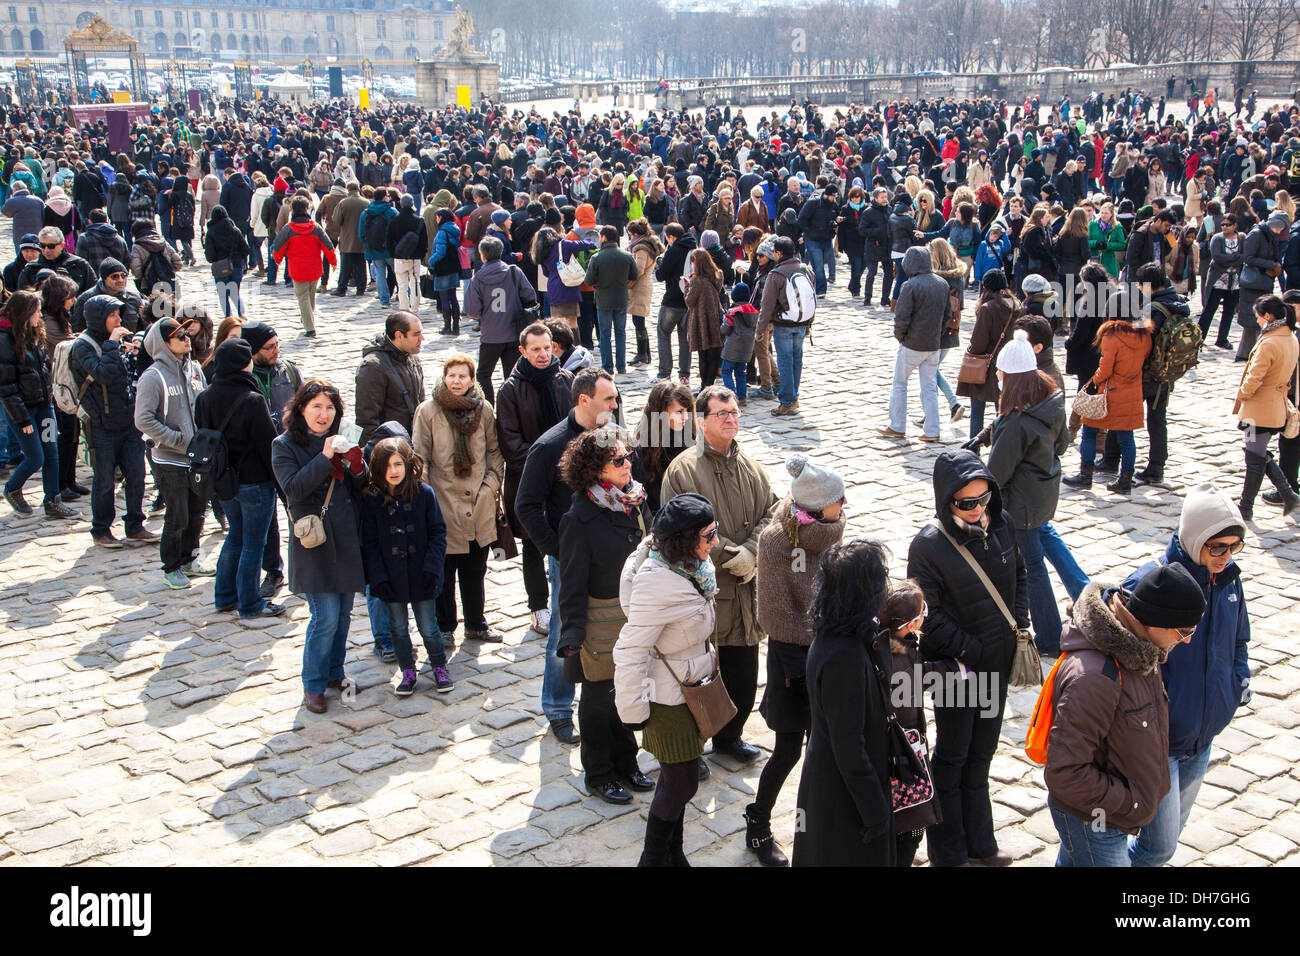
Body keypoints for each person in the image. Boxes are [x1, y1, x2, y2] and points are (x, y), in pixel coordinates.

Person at [907, 450, 1026, 867]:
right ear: (947, 501)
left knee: (981, 757)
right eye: (967, 503)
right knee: (953, 757)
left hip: (995, 667)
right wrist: (974, 651)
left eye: (984, 499)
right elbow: (930, 615)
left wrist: (1021, 627)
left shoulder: (1004, 524)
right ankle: (949, 851)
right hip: (956, 671)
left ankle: (982, 844)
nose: (978, 510)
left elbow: (1022, 576)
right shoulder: (928, 546)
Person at [1044, 564, 1207, 866]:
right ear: (1157, 622)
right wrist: (1130, 802)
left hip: (1109, 812)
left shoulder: (1142, 649)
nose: (1187, 640)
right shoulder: (1094, 678)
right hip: (1095, 819)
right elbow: (1065, 773)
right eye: (1184, 631)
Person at [1123, 484, 1251, 866]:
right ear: (1196, 540)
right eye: (1218, 548)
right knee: (1157, 847)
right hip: (1160, 742)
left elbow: (1238, 638)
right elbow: (1120, 655)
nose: (1226, 557)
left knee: (1168, 839)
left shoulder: (1228, 581)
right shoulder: (1153, 584)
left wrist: (1237, 685)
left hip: (1203, 735)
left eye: (1234, 547)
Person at [660, 385, 778, 767]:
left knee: (743, 671)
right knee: (698, 674)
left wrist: (753, 551)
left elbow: (774, 513)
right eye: (721, 414)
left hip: (745, 594)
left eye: (734, 413)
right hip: (701, 595)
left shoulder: (751, 467)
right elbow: (681, 531)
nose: (731, 419)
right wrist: (732, 554)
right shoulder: (683, 470)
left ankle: (731, 737)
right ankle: (690, 747)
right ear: (700, 421)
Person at [613, 492, 719, 866]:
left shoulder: (692, 568)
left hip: (689, 689)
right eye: (709, 535)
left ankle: (674, 856)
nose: (716, 542)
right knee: (681, 782)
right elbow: (629, 650)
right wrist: (633, 712)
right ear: (686, 540)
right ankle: (653, 860)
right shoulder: (657, 583)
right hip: (666, 699)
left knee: (681, 782)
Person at [751, 454, 846, 866]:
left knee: (827, 751)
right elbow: (773, 615)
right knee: (788, 749)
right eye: (840, 499)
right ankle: (758, 826)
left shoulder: (833, 531)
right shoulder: (776, 541)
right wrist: (823, 635)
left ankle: (822, 829)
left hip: (829, 656)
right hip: (793, 661)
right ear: (818, 506)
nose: (845, 505)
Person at [517, 368, 621, 744]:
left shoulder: (612, 434)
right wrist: (559, 550)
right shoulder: (549, 446)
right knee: (563, 630)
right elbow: (526, 506)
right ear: (584, 400)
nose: (615, 404)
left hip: (613, 555)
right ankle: (559, 709)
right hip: (572, 559)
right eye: (608, 399)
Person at [556, 426, 655, 804]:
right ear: (597, 470)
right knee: (599, 699)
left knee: (627, 692)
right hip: (599, 620)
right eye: (618, 460)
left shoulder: (637, 501)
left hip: (634, 614)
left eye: (627, 455)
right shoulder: (579, 520)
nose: (627, 463)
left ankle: (627, 764)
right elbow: (572, 584)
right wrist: (573, 634)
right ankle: (599, 773)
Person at [792, 539, 895, 866]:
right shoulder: (843, 657)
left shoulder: (839, 633)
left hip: (838, 784)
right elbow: (848, 744)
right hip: (843, 796)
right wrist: (875, 811)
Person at [272, 380, 368, 713]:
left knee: (343, 616)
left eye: (329, 408)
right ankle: (312, 684)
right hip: (314, 541)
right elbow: (294, 489)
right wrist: (326, 457)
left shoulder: (340, 440)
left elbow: (359, 487)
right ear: (301, 409)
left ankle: (333, 673)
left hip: (344, 536)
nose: (324, 414)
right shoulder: (283, 445)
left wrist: (356, 463)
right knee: (324, 617)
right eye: (317, 407)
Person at [984, 330, 1072, 654]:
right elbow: (1062, 443)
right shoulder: (1050, 400)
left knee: (1032, 567)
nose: (997, 377)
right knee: (1040, 550)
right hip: (1044, 493)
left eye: (1001, 373)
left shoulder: (1017, 421)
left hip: (1021, 505)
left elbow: (996, 473)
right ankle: (1076, 595)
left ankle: (1049, 636)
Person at [413, 353, 506, 644]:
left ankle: (476, 623)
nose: (457, 381)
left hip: (478, 503)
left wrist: (490, 486)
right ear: (444, 377)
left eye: (462, 376)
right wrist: (427, 499)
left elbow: (494, 452)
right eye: (452, 375)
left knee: (475, 568)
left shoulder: (484, 409)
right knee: (444, 569)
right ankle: (445, 626)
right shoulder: (428, 411)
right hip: (443, 503)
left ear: (472, 379)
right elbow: (420, 458)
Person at [195, 339, 283, 618]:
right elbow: (268, 446)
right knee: (253, 543)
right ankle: (250, 603)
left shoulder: (205, 397)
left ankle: (224, 596)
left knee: (235, 536)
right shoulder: (251, 399)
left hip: (224, 481)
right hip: (255, 482)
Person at [360, 436, 452, 697]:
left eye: (398, 464)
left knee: (429, 627)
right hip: (392, 577)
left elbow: (437, 533)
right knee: (398, 629)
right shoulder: (373, 500)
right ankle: (408, 670)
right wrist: (378, 579)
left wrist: (432, 569)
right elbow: (371, 543)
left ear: (408, 464)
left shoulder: (424, 494)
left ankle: (439, 667)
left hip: (421, 574)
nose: (393, 471)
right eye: (387, 466)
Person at [68, 295, 155, 549]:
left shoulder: (116, 342)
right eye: (113, 315)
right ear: (99, 318)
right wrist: (112, 345)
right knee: (105, 479)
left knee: (137, 474)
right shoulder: (83, 346)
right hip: (102, 424)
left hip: (128, 420)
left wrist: (131, 353)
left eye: (119, 314)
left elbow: (127, 375)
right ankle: (101, 528)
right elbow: (103, 374)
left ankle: (135, 525)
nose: (119, 319)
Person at [133, 317, 209, 588]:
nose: (186, 338)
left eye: (185, 334)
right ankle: (171, 565)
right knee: (178, 515)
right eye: (178, 336)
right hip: (170, 458)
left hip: (198, 456)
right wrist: (178, 440)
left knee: (197, 512)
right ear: (164, 344)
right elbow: (143, 420)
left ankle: (189, 558)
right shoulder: (153, 377)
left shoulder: (196, 370)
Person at [1065, 291, 1153, 493]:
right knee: (1126, 437)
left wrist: (1092, 383)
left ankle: (1085, 476)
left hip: (1109, 392)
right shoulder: (1144, 335)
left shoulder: (1111, 335)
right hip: (1131, 392)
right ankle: (1125, 480)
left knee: (1088, 430)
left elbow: (1105, 369)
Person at [0, 291, 76, 520]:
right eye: (36, 311)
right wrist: (22, 420)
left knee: (52, 451)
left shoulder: (34, 333)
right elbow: (6, 387)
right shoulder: (4, 339)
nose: (40, 315)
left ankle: (53, 501)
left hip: (44, 406)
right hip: (23, 411)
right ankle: (13, 488)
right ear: (24, 313)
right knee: (35, 457)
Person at [1233, 294, 1300, 518]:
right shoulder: (1290, 337)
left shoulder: (1270, 342)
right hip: (1275, 408)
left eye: (1259, 317)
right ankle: (1288, 494)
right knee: (1258, 453)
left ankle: (1246, 505)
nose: (1258, 321)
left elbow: (1254, 377)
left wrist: (1242, 394)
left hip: (1257, 411)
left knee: (1254, 456)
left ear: (1268, 316)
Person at [879, 245, 952, 440]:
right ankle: (933, 430)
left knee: (900, 383)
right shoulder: (942, 284)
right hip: (933, 344)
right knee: (929, 387)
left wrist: (901, 337)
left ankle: (897, 425)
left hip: (912, 343)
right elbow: (947, 315)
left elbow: (901, 317)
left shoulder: (910, 286)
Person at [464, 236, 536, 403]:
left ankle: (488, 406)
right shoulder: (513, 272)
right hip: (514, 332)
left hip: (490, 334)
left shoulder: (478, 278)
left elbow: (472, 310)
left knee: (483, 374)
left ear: (482, 255)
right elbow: (530, 295)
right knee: (511, 375)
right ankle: (511, 406)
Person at [40, 275, 87, 501]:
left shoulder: (60, 317)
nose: (74, 299)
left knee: (72, 435)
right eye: (70, 295)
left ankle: (70, 480)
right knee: (64, 435)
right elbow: (68, 344)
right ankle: (61, 483)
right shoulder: (48, 322)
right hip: (57, 388)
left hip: (66, 384)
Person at [757, 236, 816, 415]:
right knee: (797, 360)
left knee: (785, 362)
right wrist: (809, 324)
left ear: (779, 253)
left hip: (783, 325)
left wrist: (759, 330)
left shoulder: (776, 274)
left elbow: (766, 306)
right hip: (801, 323)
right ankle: (794, 397)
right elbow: (811, 298)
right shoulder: (806, 270)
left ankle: (787, 401)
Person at [354, 310, 426, 447]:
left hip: (412, 444)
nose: (422, 338)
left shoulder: (412, 357)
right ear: (399, 335)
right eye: (416, 334)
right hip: (390, 449)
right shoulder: (373, 367)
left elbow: (421, 403)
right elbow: (367, 420)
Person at [271, 195, 337, 338]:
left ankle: (310, 327)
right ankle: (308, 317)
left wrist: (277, 260)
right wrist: (333, 261)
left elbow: (278, 247)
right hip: (315, 268)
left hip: (298, 269)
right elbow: (328, 246)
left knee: (303, 298)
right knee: (310, 296)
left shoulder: (288, 229)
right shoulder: (316, 227)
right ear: (307, 209)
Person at [583, 225, 639, 374]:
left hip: (603, 300)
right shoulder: (627, 256)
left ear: (604, 238)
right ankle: (621, 366)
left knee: (605, 334)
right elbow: (634, 276)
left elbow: (588, 281)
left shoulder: (597, 257)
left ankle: (608, 366)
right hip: (621, 299)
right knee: (620, 333)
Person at [1235, 211, 1289, 362]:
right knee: (1252, 321)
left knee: (1260, 319)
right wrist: (1270, 264)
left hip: (1263, 282)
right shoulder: (1257, 234)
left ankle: (1252, 353)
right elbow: (1248, 258)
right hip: (1253, 283)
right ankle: (1246, 354)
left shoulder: (1270, 235)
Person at [652, 223, 696, 384]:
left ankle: (664, 372)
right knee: (685, 338)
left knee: (663, 334)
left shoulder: (674, 250)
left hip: (672, 300)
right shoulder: (694, 248)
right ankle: (684, 375)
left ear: (671, 237)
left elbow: (662, 274)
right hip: (689, 300)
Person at [1201, 213, 1244, 348]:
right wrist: (1234, 258)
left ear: (1235, 225)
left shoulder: (1242, 238)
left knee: (1229, 312)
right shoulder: (1217, 239)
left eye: (1228, 224)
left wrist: (1233, 258)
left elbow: (1244, 256)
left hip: (1234, 281)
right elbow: (1217, 257)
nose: (1225, 227)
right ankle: (1199, 338)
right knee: (1209, 310)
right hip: (1218, 280)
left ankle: (1222, 338)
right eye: (1223, 225)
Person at [684, 247, 725, 388]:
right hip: (715, 319)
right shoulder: (717, 275)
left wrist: (686, 286)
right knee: (714, 355)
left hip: (700, 320)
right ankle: (709, 384)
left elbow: (689, 302)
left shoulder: (696, 281)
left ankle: (704, 386)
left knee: (703, 356)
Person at [203, 205, 249, 319]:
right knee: (235, 293)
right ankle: (242, 314)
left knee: (223, 295)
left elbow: (210, 256)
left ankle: (228, 318)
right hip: (236, 266)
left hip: (220, 268)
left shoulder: (211, 232)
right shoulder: (235, 230)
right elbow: (246, 249)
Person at [388, 194, 428, 314]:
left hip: (399, 257)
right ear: (412, 204)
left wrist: (393, 253)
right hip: (414, 257)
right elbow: (424, 240)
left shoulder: (394, 220)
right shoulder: (418, 220)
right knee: (415, 283)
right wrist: (420, 254)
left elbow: (389, 239)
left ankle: (404, 308)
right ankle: (414, 308)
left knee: (402, 285)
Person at [329, 181, 369, 297]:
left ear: (348, 189)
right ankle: (361, 289)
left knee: (346, 266)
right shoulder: (366, 202)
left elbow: (336, 220)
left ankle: (342, 288)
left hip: (347, 240)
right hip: (361, 240)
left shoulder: (344, 203)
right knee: (361, 265)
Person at [720, 281, 757, 405]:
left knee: (726, 371)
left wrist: (722, 322)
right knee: (741, 372)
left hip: (732, 347)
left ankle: (732, 397)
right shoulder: (754, 312)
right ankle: (742, 397)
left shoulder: (732, 312)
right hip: (747, 348)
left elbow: (725, 329)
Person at [360, 187, 399, 308]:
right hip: (390, 249)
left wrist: (368, 245)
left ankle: (384, 300)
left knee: (380, 274)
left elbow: (361, 234)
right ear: (384, 197)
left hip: (374, 249)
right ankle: (405, 295)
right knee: (398, 273)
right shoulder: (392, 211)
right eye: (388, 195)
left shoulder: (366, 213)